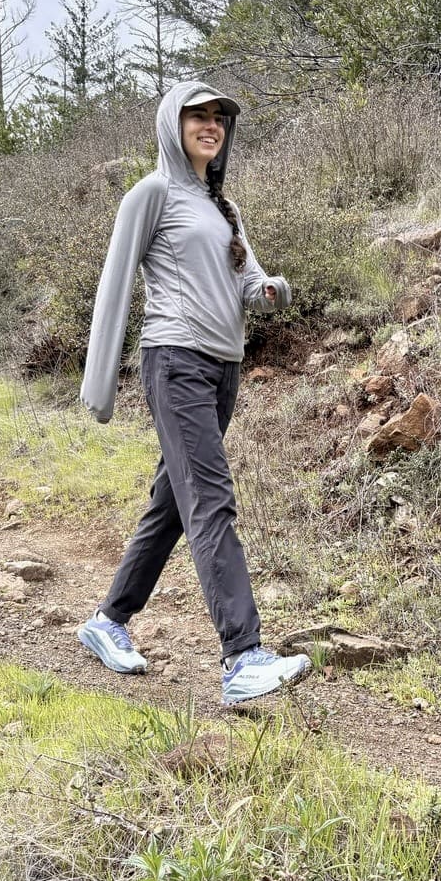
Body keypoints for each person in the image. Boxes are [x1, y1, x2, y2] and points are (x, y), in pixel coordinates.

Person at [76, 80, 312, 707]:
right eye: (197, 116)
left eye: (218, 118)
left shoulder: (223, 207)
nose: (211, 125)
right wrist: (100, 383)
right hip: (175, 360)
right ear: (171, 125)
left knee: (174, 504)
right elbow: (115, 281)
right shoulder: (152, 194)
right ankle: (242, 655)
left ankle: (108, 621)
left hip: (223, 368)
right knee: (210, 499)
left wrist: (271, 289)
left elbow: (247, 281)